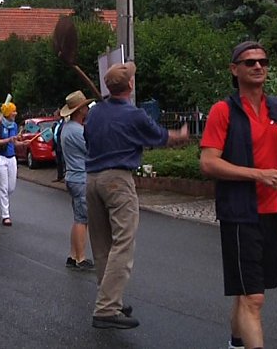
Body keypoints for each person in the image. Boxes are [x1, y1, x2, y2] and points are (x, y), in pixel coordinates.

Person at [199, 41, 277, 349]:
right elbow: (208, 162)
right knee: (254, 297)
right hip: (239, 213)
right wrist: (258, 174)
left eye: (262, 61)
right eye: (250, 62)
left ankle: (237, 342)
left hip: (271, 213)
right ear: (234, 70)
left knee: (248, 289)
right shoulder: (224, 111)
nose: (258, 66)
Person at [84, 62, 188, 330]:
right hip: (118, 180)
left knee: (101, 243)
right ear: (129, 85)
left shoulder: (95, 114)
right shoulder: (135, 115)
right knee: (123, 243)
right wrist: (182, 134)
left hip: (92, 179)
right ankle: (107, 308)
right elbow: (162, 137)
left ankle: (110, 299)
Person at [59, 90, 94, 270]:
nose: (88, 109)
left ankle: (73, 255)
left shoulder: (68, 128)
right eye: (85, 106)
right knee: (83, 219)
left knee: (78, 217)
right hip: (81, 177)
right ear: (80, 110)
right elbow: (92, 150)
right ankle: (80, 258)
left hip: (73, 176)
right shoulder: (78, 131)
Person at [0, 102, 27, 227]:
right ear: (7, 113)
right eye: (13, 111)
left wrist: (21, 144)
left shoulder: (14, 125)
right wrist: (8, 140)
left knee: (11, 187)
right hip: (0, 158)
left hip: (12, 158)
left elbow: (14, 142)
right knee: (3, 188)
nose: (15, 113)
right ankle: (6, 216)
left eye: (15, 111)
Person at [51, 110, 65, 182]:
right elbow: (54, 136)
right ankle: (59, 176)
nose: (54, 117)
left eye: (55, 116)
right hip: (57, 146)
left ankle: (64, 176)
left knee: (63, 162)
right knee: (58, 162)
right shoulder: (55, 125)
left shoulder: (64, 124)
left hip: (62, 146)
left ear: (59, 116)